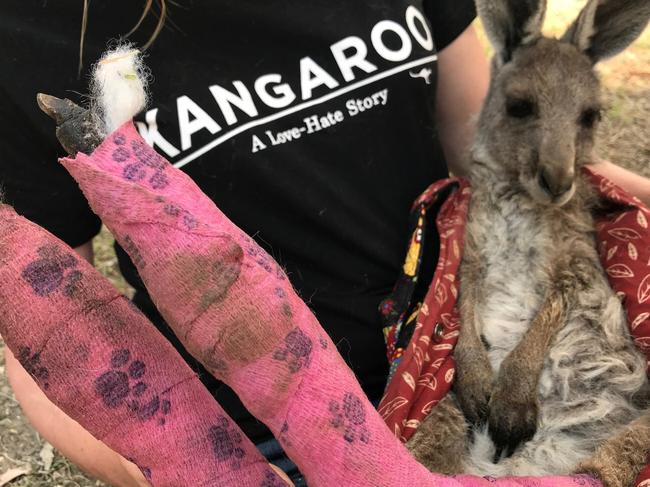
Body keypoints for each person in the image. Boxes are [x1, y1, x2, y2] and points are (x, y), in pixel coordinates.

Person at [0, 2, 648, 486]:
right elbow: (48, 335)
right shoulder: (31, 33)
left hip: (456, 372)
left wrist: (608, 201)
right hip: (272, 444)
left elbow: (481, 143)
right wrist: (204, 463)